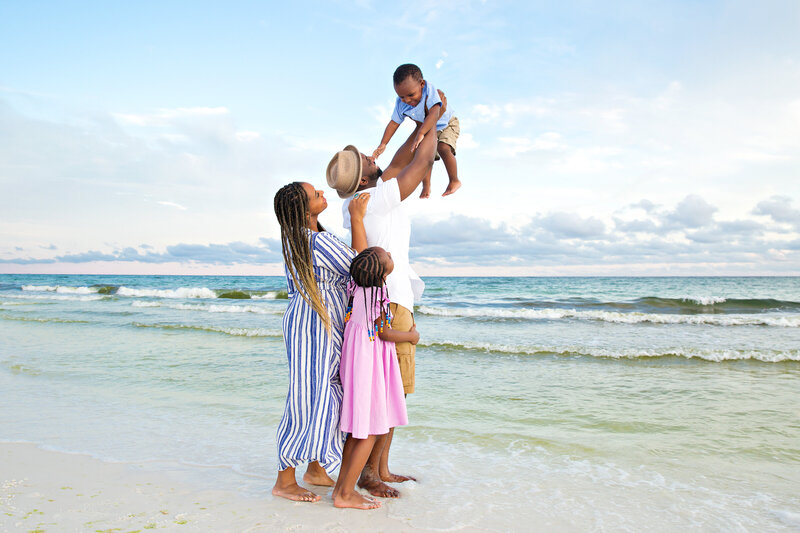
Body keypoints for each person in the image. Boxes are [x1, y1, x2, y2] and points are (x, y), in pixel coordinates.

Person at [327, 116, 438, 498]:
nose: (373, 157)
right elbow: (420, 162)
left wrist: (422, 120)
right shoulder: (374, 199)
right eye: (366, 159)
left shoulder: (365, 199)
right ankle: (370, 474)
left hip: (393, 299)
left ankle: (379, 468)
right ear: (362, 178)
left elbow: (404, 153)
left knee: (393, 391)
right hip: (390, 303)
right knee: (392, 391)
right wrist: (438, 117)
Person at [271, 182, 370, 502]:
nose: (323, 195)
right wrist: (357, 218)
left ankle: (315, 467)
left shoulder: (298, 242)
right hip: (315, 324)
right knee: (306, 397)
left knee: (322, 393)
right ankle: (284, 481)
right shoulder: (317, 241)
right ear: (304, 210)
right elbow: (361, 266)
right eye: (316, 195)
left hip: (311, 321)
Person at [332, 247, 419, 510]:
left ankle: (341, 490)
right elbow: (384, 333)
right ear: (382, 271)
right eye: (388, 257)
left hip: (356, 361)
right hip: (368, 364)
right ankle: (345, 495)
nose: (391, 254)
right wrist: (412, 336)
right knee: (369, 432)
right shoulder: (378, 294)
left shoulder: (355, 289)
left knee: (357, 432)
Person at [372, 63, 461, 198]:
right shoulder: (401, 103)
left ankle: (454, 180)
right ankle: (426, 185)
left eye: (411, 94)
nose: (407, 100)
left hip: (447, 123)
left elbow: (435, 113)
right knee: (424, 153)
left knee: (443, 148)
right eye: (402, 97)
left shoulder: (429, 92)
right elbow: (394, 123)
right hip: (429, 127)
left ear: (422, 84)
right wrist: (383, 143)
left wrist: (421, 133)